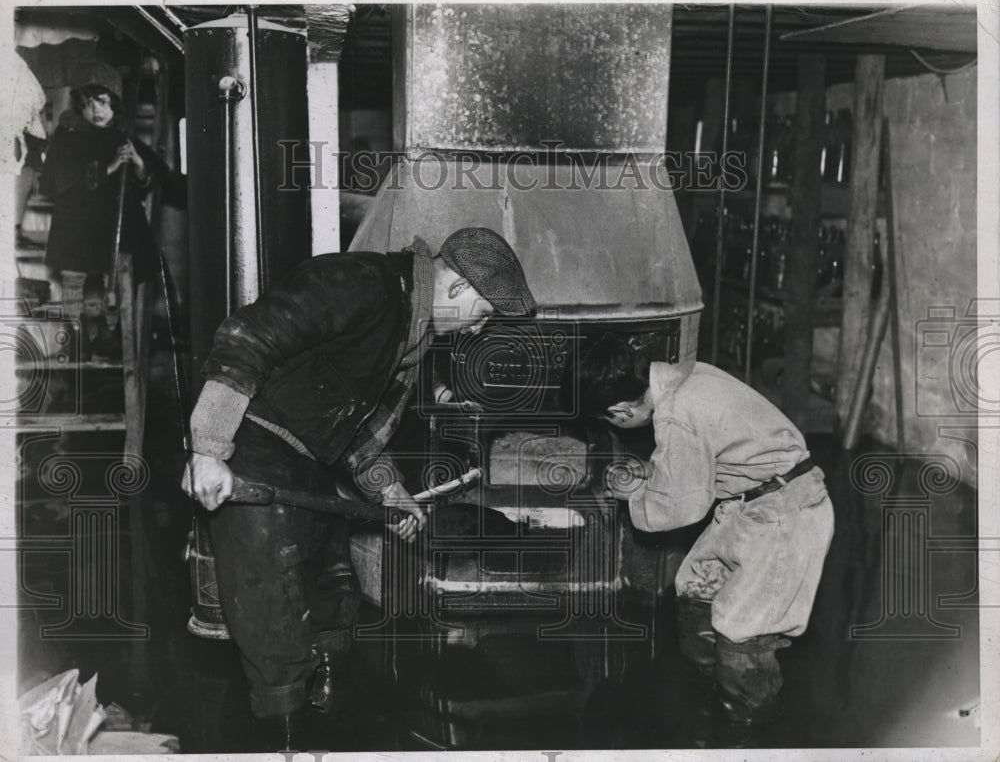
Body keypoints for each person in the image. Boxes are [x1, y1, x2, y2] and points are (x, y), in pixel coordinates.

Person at [180, 227, 536, 745]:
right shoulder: (356, 283)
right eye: (482, 314)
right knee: (274, 627)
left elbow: (357, 431)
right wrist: (209, 448)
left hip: (307, 461)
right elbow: (246, 338)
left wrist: (391, 493)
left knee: (333, 599)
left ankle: (322, 731)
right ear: (458, 287)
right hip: (250, 448)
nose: (477, 330)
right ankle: (280, 744)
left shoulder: (409, 334)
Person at [573, 333, 834, 726]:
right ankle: (710, 711)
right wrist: (649, 473)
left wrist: (633, 496)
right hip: (754, 503)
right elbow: (703, 458)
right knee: (696, 589)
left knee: (739, 633)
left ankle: (749, 734)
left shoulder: (677, 413)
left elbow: (682, 506)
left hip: (785, 515)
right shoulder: (686, 378)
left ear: (622, 410)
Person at [39, 62, 162, 318]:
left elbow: (145, 179)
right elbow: (65, 180)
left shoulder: (121, 136)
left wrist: (137, 162)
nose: (95, 110)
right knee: (74, 281)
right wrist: (111, 166)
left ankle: (114, 335)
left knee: (120, 280)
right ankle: (74, 336)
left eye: (102, 102)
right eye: (87, 104)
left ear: (114, 104)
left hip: (116, 228)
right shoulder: (68, 137)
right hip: (78, 228)